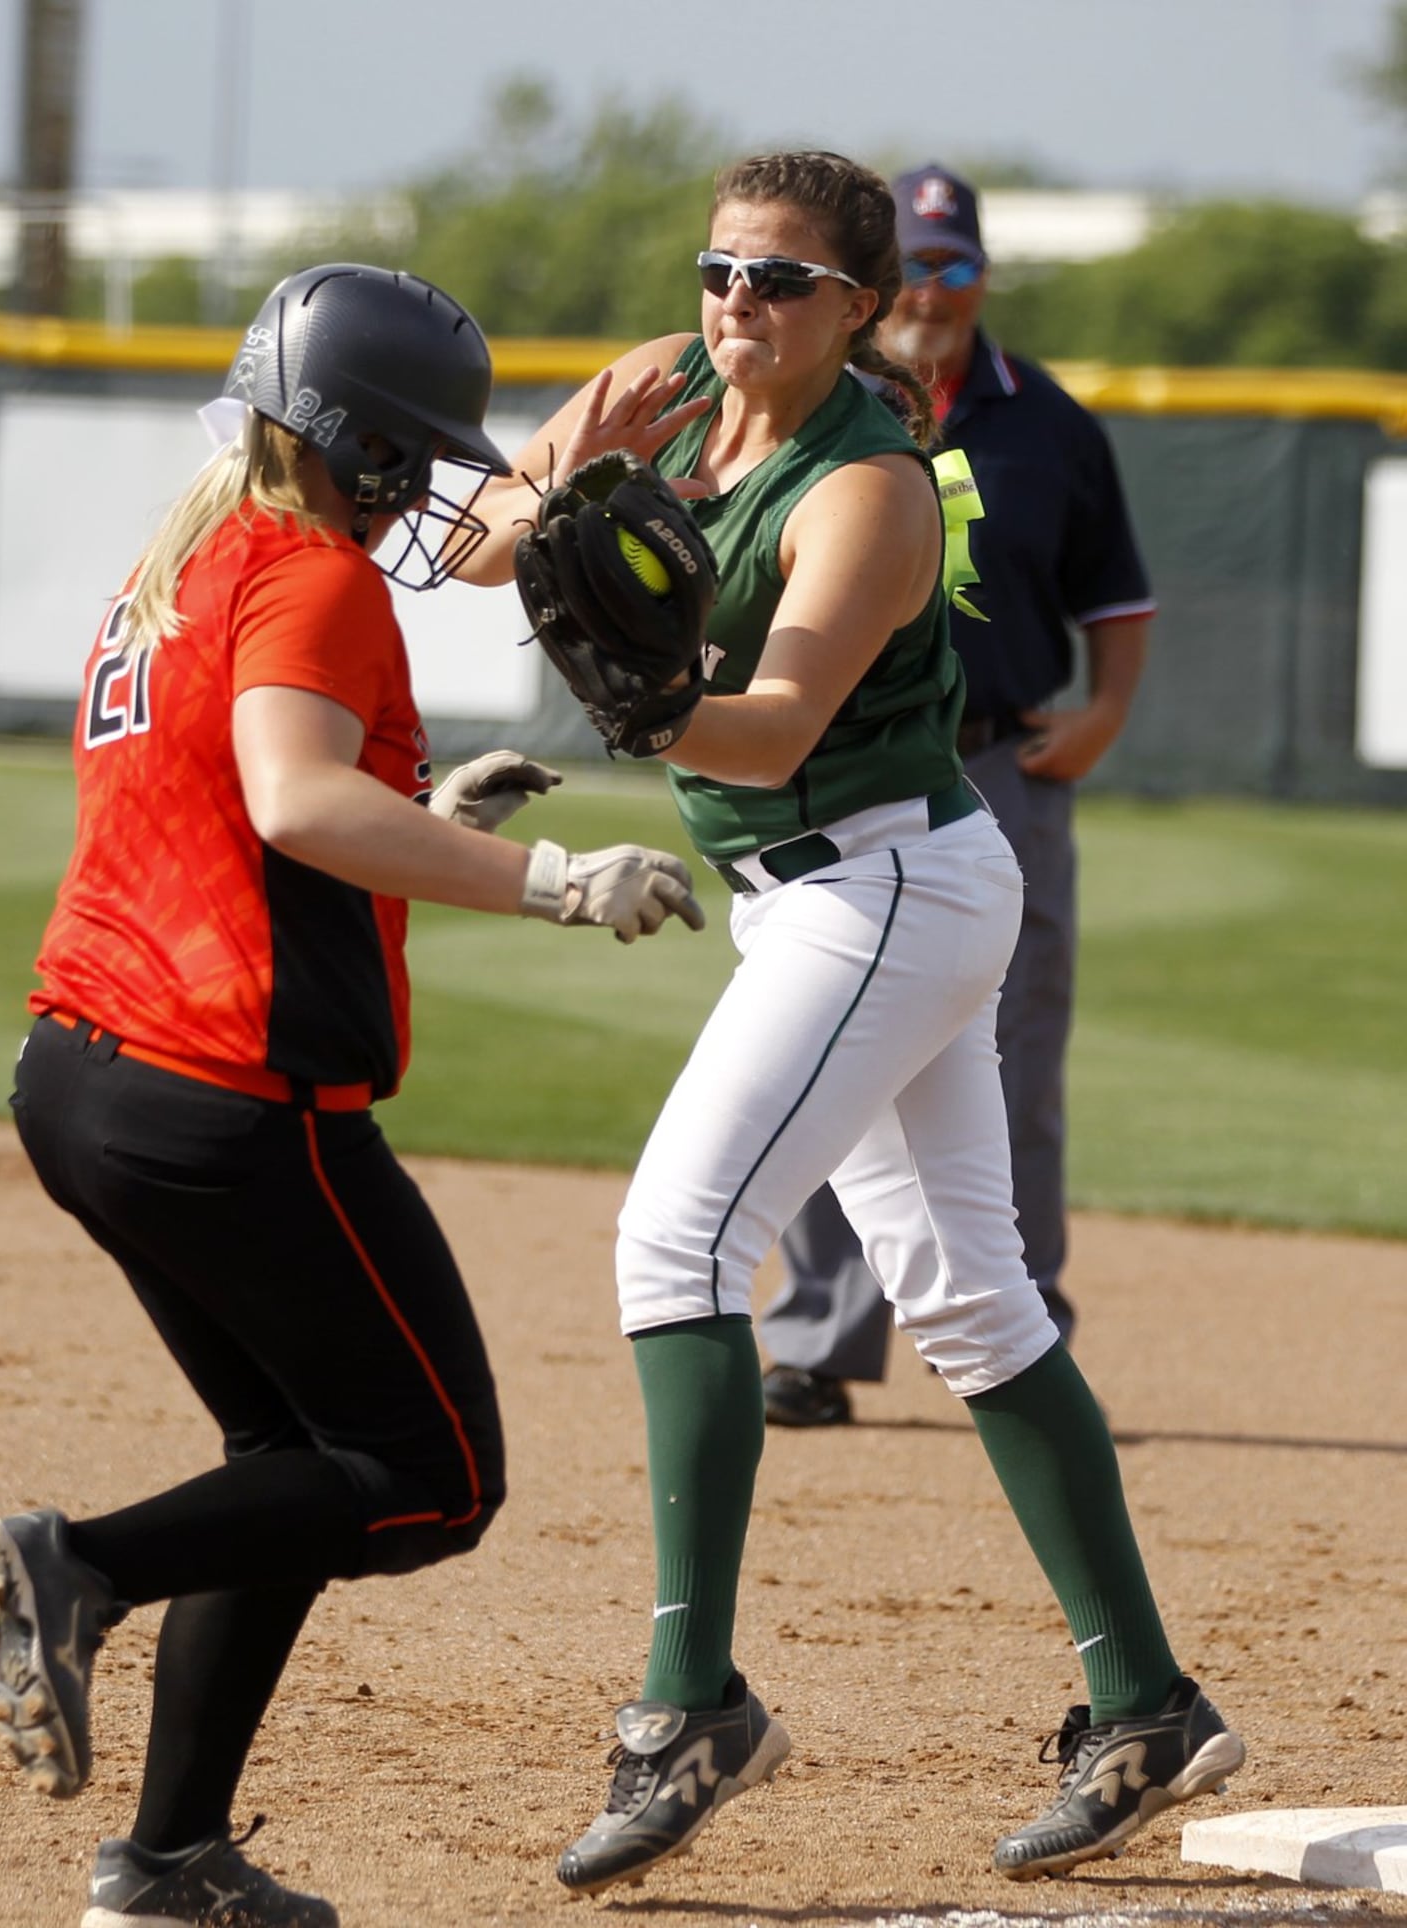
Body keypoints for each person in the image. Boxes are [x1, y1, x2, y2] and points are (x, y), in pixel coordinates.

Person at [459, 151, 1240, 1894]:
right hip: (826, 893)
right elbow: (483, 540)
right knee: (970, 1292)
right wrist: (557, 478)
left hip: (887, 878)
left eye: (786, 277)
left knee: (678, 1236)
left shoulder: (870, 482)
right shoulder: (663, 394)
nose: (740, 296)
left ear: (862, 307)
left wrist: (642, 685)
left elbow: (776, 725)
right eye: (722, 264)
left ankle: (687, 1707)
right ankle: (1147, 1701)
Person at [0, 263, 704, 1928]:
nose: (422, 486)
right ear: (350, 445)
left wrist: (428, 805)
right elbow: (296, 807)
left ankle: (163, 1859)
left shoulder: (188, 559)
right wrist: (558, 881)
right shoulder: (312, 574)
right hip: (220, 1096)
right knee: (427, 1470)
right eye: (409, 452)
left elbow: (240, 804)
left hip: (80, 1077)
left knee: (288, 1452)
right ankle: (78, 1566)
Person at [759, 161, 1155, 1430]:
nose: (931, 288)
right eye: (913, 264)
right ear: (874, 286)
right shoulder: (816, 408)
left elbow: (1118, 597)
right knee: (826, 1046)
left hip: (1000, 758)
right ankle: (818, 1342)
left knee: (1022, 1055)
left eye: (954, 263)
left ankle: (1016, 1330)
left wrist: (1103, 715)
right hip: (847, 765)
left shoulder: (1047, 419)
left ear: (981, 275)